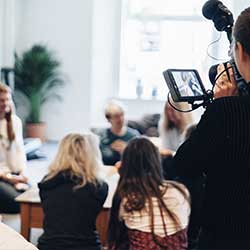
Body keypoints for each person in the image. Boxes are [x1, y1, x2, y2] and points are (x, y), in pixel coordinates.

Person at [173, 7, 250, 249]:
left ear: (238, 50)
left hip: (227, 236)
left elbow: (184, 165)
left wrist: (221, 105)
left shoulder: (227, 111)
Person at [108, 137, 190, 250]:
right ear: (156, 161)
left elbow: (115, 239)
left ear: (126, 165)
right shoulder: (180, 190)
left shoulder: (127, 197)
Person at [37, 133, 108, 250]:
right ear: (93, 154)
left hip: (49, 246)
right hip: (87, 246)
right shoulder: (100, 187)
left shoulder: (46, 184)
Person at [0, 83, 27, 213]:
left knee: (34, 196)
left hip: (13, 174)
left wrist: (22, 173)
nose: (5, 103)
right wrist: (8, 178)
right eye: (1, 100)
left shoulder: (15, 121)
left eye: (7, 99)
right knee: (18, 204)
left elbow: (20, 151)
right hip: (2, 176)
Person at [99, 100, 140, 165]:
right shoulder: (101, 136)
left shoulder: (134, 136)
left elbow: (139, 161)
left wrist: (126, 151)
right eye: (116, 116)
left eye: (122, 115)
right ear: (108, 119)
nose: (121, 119)